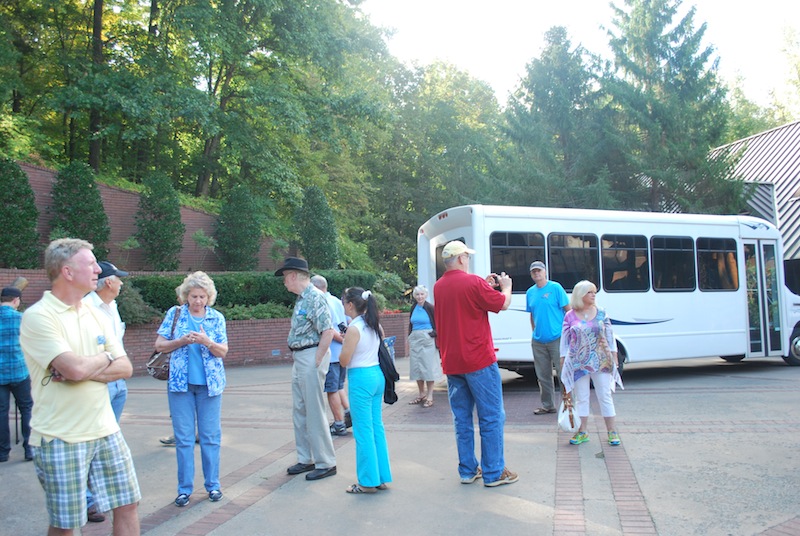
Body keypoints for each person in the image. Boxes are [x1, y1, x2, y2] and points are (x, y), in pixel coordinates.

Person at [19, 238, 140, 535]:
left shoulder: (96, 314)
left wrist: (86, 367)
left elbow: (125, 367)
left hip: (105, 430)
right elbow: (73, 368)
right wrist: (104, 358)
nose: (99, 269)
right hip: (60, 437)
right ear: (68, 272)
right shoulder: (38, 317)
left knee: (128, 504)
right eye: (91, 263)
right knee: (68, 524)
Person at [433, 240, 518, 487]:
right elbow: (502, 303)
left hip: (452, 361)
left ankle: (468, 470)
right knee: (491, 416)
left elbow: (463, 296)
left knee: (462, 418)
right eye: (467, 257)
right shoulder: (473, 283)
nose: (468, 260)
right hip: (479, 359)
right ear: (461, 259)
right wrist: (506, 287)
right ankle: (494, 472)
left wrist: (483, 283)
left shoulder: (439, 286)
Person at [155, 271, 228, 507]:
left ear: (209, 297)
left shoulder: (216, 318)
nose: (198, 301)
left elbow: (223, 351)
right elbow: (160, 345)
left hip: (209, 387)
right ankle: (184, 489)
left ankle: (213, 485)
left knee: (210, 437)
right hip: (180, 386)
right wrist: (181, 341)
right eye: (194, 296)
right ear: (186, 296)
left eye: (202, 296)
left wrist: (207, 342)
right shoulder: (175, 314)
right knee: (184, 439)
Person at [276, 257, 337, 481]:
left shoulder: (315, 298)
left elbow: (328, 331)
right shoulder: (303, 299)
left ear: (293, 276)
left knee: (314, 411)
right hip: (300, 357)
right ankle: (306, 458)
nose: (284, 282)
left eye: (285, 278)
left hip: (310, 356)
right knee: (300, 411)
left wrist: (316, 360)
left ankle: (326, 462)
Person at [82, 261, 130, 522]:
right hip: (99, 383)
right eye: (119, 279)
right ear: (108, 282)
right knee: (92, 442)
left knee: (108, 442)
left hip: (118, 383)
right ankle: (90, 501)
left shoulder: (112, 306)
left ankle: (101, 495)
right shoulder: (86, 308)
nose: (122, 283)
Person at [339, 287, 392, 493]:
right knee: (376, 426)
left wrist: (345, 342)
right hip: (376, 375)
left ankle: (367, 481)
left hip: (360, 378)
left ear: (350, 305)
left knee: (363, 431)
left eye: (344, 302)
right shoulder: (374, 324)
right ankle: (380, 477)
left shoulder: (354, 328)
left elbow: (344, 360)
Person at [560, 280, 624, 446]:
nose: (593, 295)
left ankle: (612, 431)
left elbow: (610, 336)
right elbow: (565, 341)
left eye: (594, 292)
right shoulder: (570, 315)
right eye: (590, 292)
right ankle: (582, 432)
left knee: (605, 395)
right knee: (582, 398)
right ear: (580, 295)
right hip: (578, 362)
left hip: (601, 360)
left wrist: (614, 355)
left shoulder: (602, 313)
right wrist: (562, 361)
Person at [525, 260, 570, 415]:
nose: (537, 273)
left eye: (539, 271)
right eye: (533, 271)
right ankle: (547, 405)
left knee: (563, 372)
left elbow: (568, 311)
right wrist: (534, 331)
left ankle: (569, 404)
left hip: (557, 338)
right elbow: (532, 314)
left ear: (545, 272)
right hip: (538, 341)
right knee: (543, 375)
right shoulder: (530, 292)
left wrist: (568, 333)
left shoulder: (555, 288)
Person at [310, 274, 351, 436]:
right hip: (341, 354)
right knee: (339, 385)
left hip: (331, 353)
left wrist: (340, 340)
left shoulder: (322, 302)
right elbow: (347, 322)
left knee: (332, 389)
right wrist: (346, 340)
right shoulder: (335, 300)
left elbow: (328, 329)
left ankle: (339, 423)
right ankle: (347, 412)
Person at [0, 286, 33, 463]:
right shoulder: (21, 319)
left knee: (1, 412)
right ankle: (29, 448)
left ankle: (3, 452)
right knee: (26, 408)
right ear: (16, 300)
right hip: (20, 370)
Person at [407, 285, 441, 408]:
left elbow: (438, 321)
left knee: (428, 367)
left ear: (426, 295)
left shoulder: (430, 307)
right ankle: (421, 394)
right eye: (417, 294)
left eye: (422, 294)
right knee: (416, 367)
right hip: (415, 339)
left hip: (427, 339)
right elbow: (411, 323)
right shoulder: (413, 307)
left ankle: (430, 395)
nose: (419, 297)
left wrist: (433, 334)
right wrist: (409, 335)